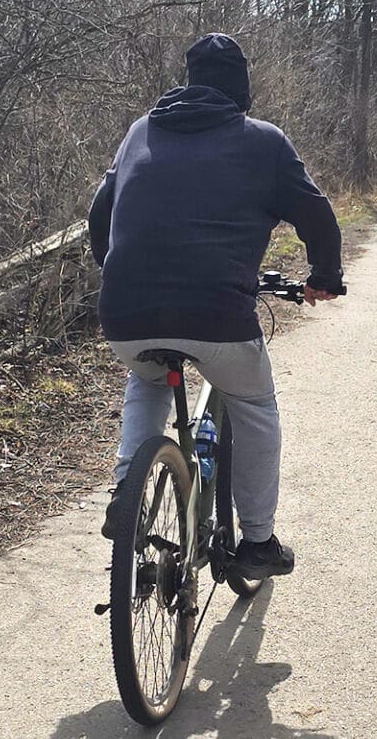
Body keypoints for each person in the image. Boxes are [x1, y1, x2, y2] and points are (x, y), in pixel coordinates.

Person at [87, 33, 344, 580]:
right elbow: (316, 215)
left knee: (147, 381)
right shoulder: (263, 141)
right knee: (253, 406)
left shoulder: (140, 132)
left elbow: (99, 214)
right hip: (218, 316)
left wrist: (116, 273)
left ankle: (127, 494)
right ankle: (257, 541)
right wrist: (324, 277)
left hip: (126, 311)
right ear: (241, 89)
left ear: (188, 80)